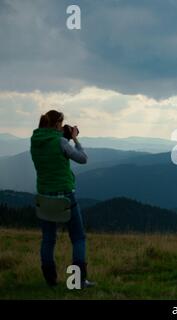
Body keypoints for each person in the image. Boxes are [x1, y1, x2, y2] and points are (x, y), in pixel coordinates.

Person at [30, 110, 94, 288]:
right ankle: (78, 281)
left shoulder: (35, 141)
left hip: (43, 195)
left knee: (48, 239)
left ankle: (50, 280)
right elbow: (83, 159)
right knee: (78, 238)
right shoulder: (61, 141)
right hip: (65, 196)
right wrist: (74, 139)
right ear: (58, 124)